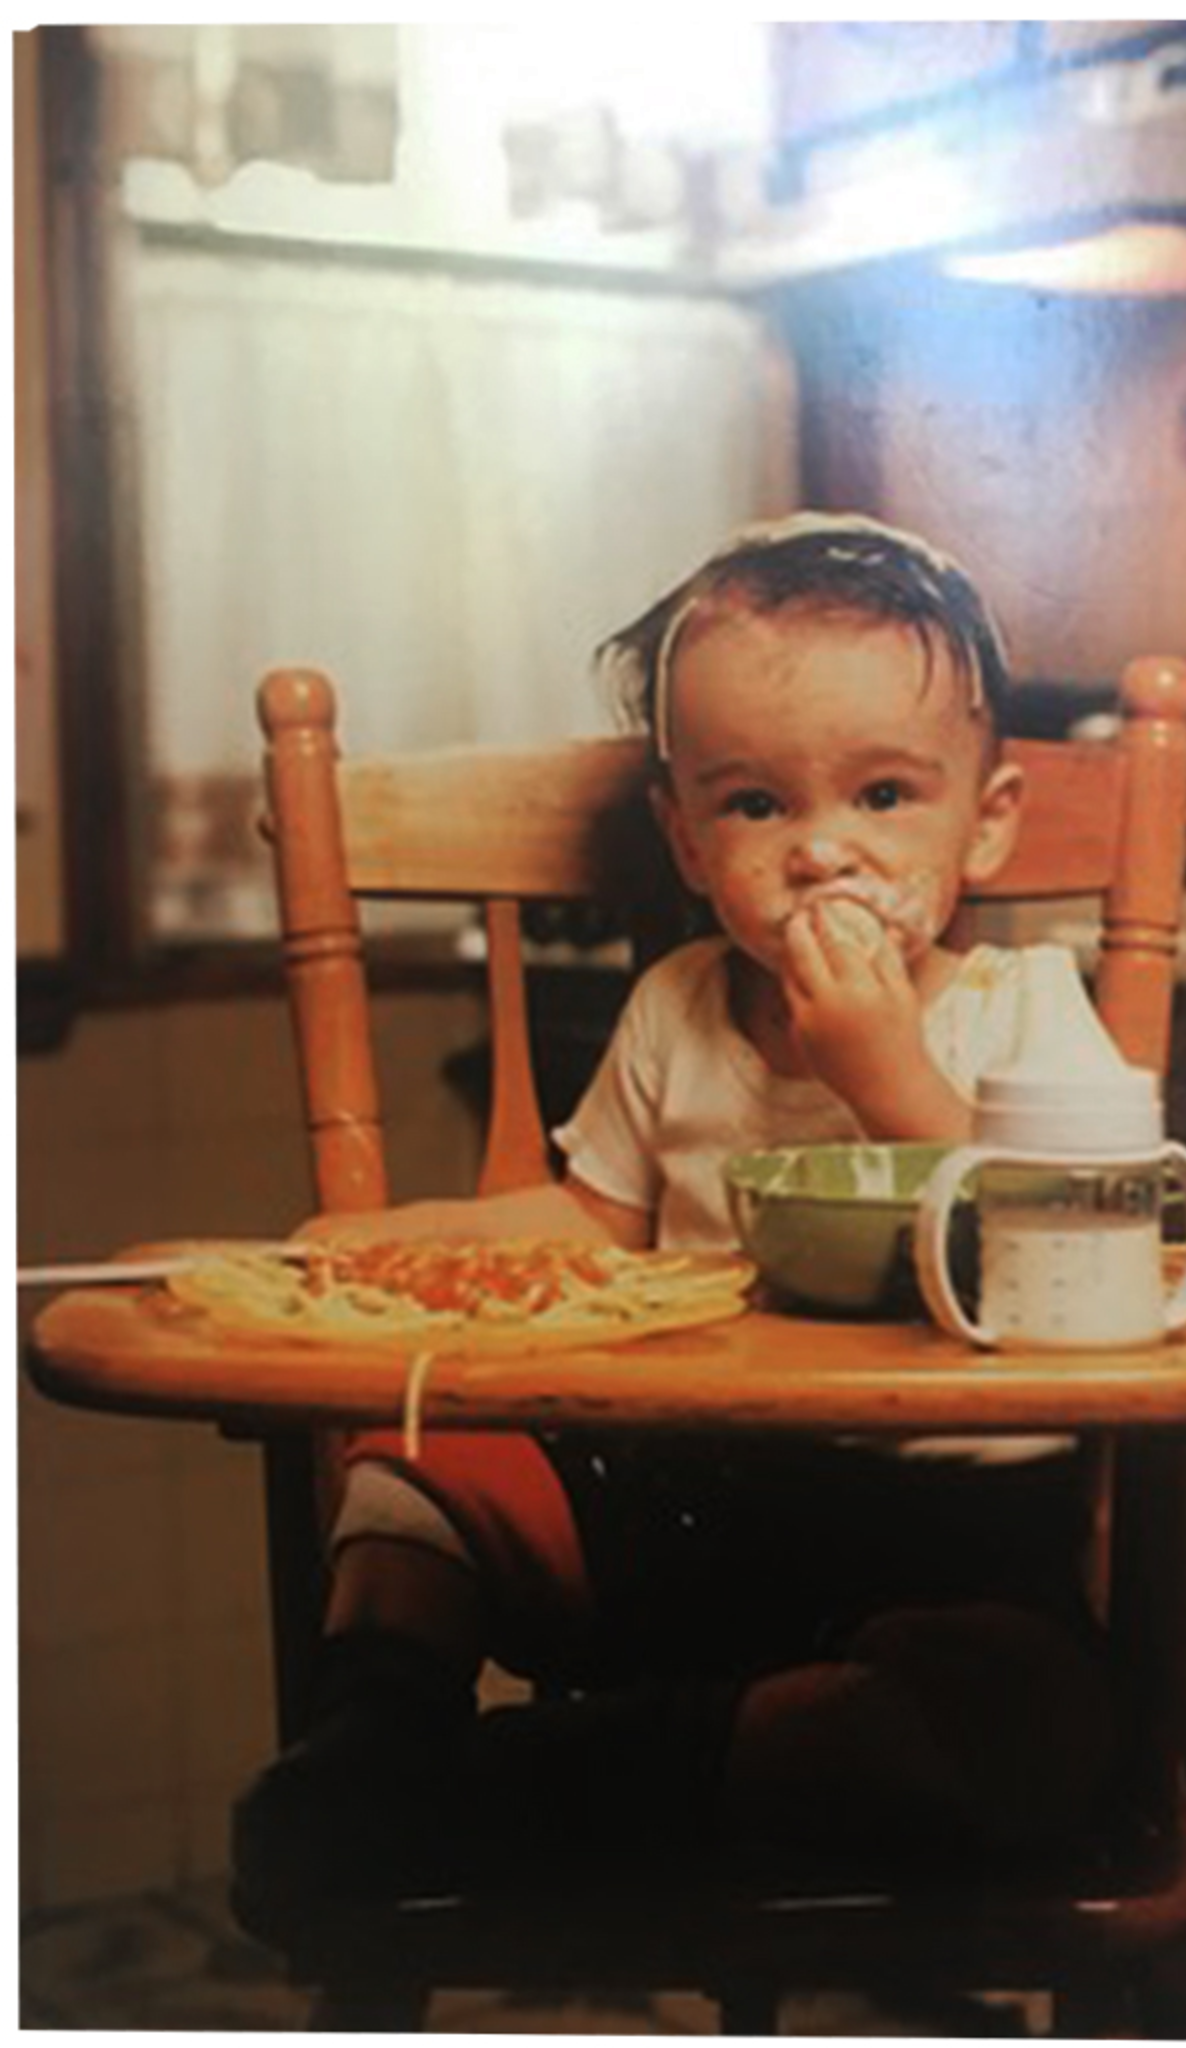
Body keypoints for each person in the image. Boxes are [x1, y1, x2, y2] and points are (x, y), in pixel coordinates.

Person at [234, 513, 1134, 1902]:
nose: (823, 851)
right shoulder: (680, 1012)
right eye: (757, 805)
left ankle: (532, 1784)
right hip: (668, 1497)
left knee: (1023, 1722)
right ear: (687, 839)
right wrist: (401, 1246)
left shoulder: (1026, 1014)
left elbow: (1086, 1258)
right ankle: (379, 1732)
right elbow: (592, 1230)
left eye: (885, 796)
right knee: (416, 1466)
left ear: (989, 820)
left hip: (938, 1520)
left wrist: (887, 1074)